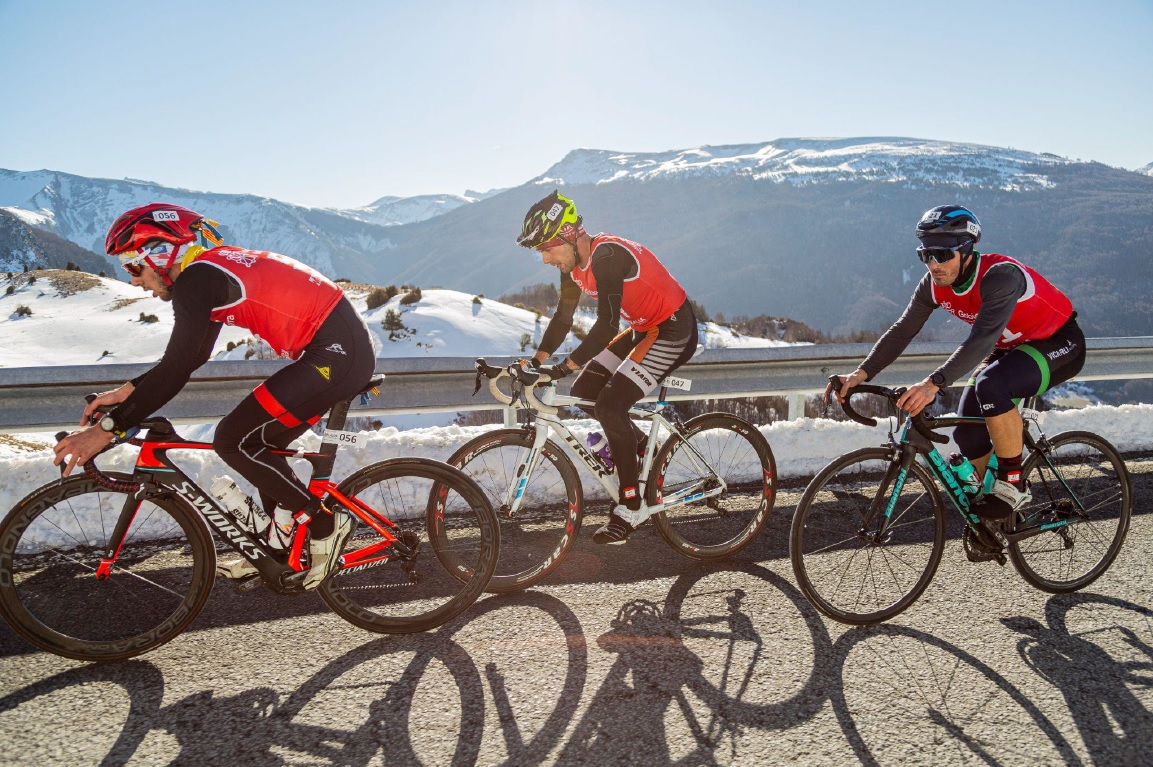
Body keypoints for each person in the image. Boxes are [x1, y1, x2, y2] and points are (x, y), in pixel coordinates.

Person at [52, 203, 376, 589]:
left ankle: (325, 523)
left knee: (231, 439)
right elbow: (189, 359)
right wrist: (125, 394)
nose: (134, 281)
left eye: (133, 267)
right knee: (258, 443)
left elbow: (177, 367)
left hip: (336, 354)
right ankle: (278, 551)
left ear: (162, 253)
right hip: (338, 349)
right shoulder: (205, 272)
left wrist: (108, 428)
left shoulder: (197, 281)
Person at [831, 204, 1085, 543]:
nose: (934, 264)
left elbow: (981, 341)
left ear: (966, 251)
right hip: (1009, 349)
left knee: (991, 385)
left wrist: (934, 382)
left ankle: (1012, 485)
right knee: (967, 435)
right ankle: (1000, 516)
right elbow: (903, 330)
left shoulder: (1000, 277)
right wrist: (860, 374)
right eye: (926, 255)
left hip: (1058, 342)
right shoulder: (934, 283)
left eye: (942, 254)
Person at [516, 190, 698, 544]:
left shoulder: (607, 256)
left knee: (610, 406)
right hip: (645, 327)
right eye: (541, 251)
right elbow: (563, 317)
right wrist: (535, 362)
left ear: (569, 235)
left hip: (674, 330)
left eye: (547, 248)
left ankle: (630, 507)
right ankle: (641, 447)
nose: (544, 259)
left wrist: (563, 366)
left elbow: (606, 326)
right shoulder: (571, 265)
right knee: (584, 392)